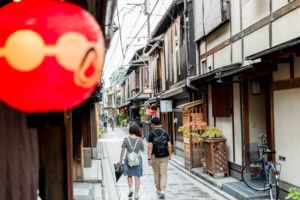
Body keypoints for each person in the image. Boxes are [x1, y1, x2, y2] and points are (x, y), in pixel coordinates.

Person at [147, 117, 172, 199]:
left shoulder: (151, 134)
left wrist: (149, 158)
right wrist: (170, 154)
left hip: (155, 156)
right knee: (163, 173)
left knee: (156, 173)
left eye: (151, 124)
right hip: (165, 155)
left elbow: (150, 147)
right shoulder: (165, 133)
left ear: (153, 124)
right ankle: (163, 190)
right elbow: (169, 145)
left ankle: (158, 189)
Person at [119, 125, 144, 200]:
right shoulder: (139, 140)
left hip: (128, 159)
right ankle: (136, 194)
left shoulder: (126, 139)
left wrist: (120, 160)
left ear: (130, 131)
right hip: (137, 159)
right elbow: (142, 150)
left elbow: (123, 150)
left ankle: (130, 189)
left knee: (129, 175)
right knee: (137, 177)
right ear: (137, 131)